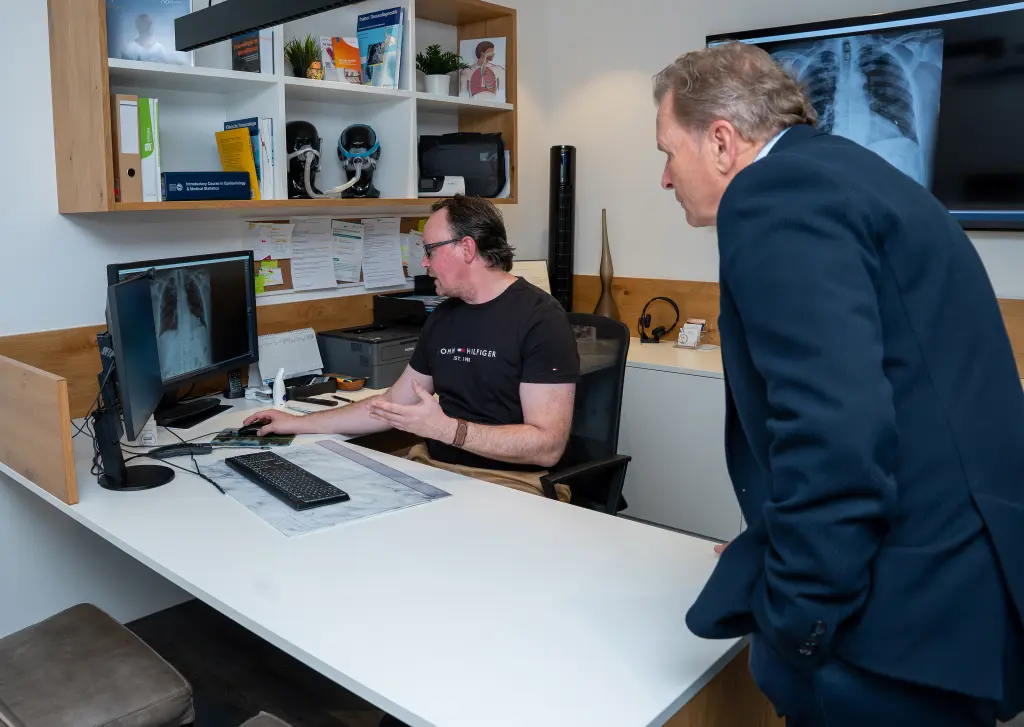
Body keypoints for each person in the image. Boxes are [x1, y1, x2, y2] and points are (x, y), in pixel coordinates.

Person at [652, 42, 1024, 727]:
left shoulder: (773, 196)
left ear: (723, 142)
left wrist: (795, 616)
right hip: (957, 595)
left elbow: (836, 436)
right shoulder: (854, 175)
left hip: (891, 627)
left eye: (668, 153)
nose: (665, 179)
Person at [243, 195, 580, 501]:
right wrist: (296, 422)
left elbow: (547, 446)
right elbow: (391, 405)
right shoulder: (444, 316)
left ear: (466, 248)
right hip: (436, 470)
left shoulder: (540, 319)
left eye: (430, 250)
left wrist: (446, 430)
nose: (424, 263)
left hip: (511, 483)